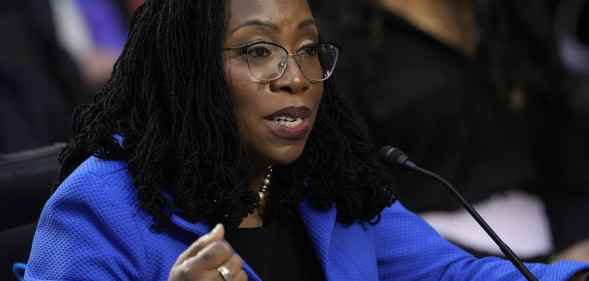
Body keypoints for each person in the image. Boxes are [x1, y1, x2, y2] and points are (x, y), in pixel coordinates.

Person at [19, 0, 589, 280]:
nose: (296, 75)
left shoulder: (325, 186)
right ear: (189, 70)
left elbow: (457, 275)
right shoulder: (99, 209)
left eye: (310, 48)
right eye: (257, 50)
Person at [311, 0, 589, 262]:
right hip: (431, 256)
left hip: (550, 236)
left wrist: (573, 250)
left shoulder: (508, 19)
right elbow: (349, 205)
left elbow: (565, 156)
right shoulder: (343, 37)